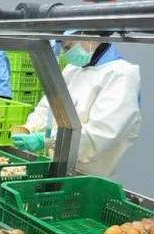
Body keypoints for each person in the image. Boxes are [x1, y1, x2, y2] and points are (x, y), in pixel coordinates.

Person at [12, 34, 142, 177]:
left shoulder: (122, 74)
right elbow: (49, 107)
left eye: (69, 46)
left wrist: (47, 140)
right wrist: (30, 128)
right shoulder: (72, 69)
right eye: (63, 47)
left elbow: (100, 136)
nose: (65, 52)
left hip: (90, 180)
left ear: (91, 35)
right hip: (58, 169)